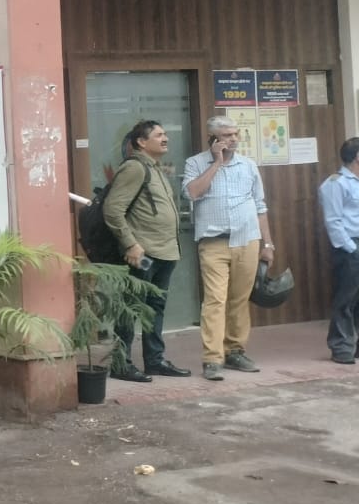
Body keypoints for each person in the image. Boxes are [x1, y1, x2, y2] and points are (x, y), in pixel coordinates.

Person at [183, 115, 274, 381]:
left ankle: (235, 351)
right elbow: (192, 193)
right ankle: (212, 358)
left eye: (236, 134)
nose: (233, 139)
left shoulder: (248, 165)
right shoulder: (195, 163)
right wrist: (216, 163)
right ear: (213, 138)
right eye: (227, 135)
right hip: (214, 242)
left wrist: (268, 243)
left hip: (247, 240)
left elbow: (260, 206)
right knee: (215, 300)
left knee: (239, 299)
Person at [101, 120, 192, 381]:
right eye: (159, 135)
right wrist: (131, 244)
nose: (166, 138)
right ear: (141, 142)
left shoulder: (154, 167)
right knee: (130, 308)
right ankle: (121, 364)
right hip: (143, 254)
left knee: (155, 308)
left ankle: (154, 360)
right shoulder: (134, 167)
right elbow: (113, 209)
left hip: (165, 251)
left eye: (165, 134)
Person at [317, 137, 359, 365]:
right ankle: (341, 347)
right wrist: (352, 248)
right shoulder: (336, 183)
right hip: (349, 246)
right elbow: (333, 221)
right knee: (346, 299)